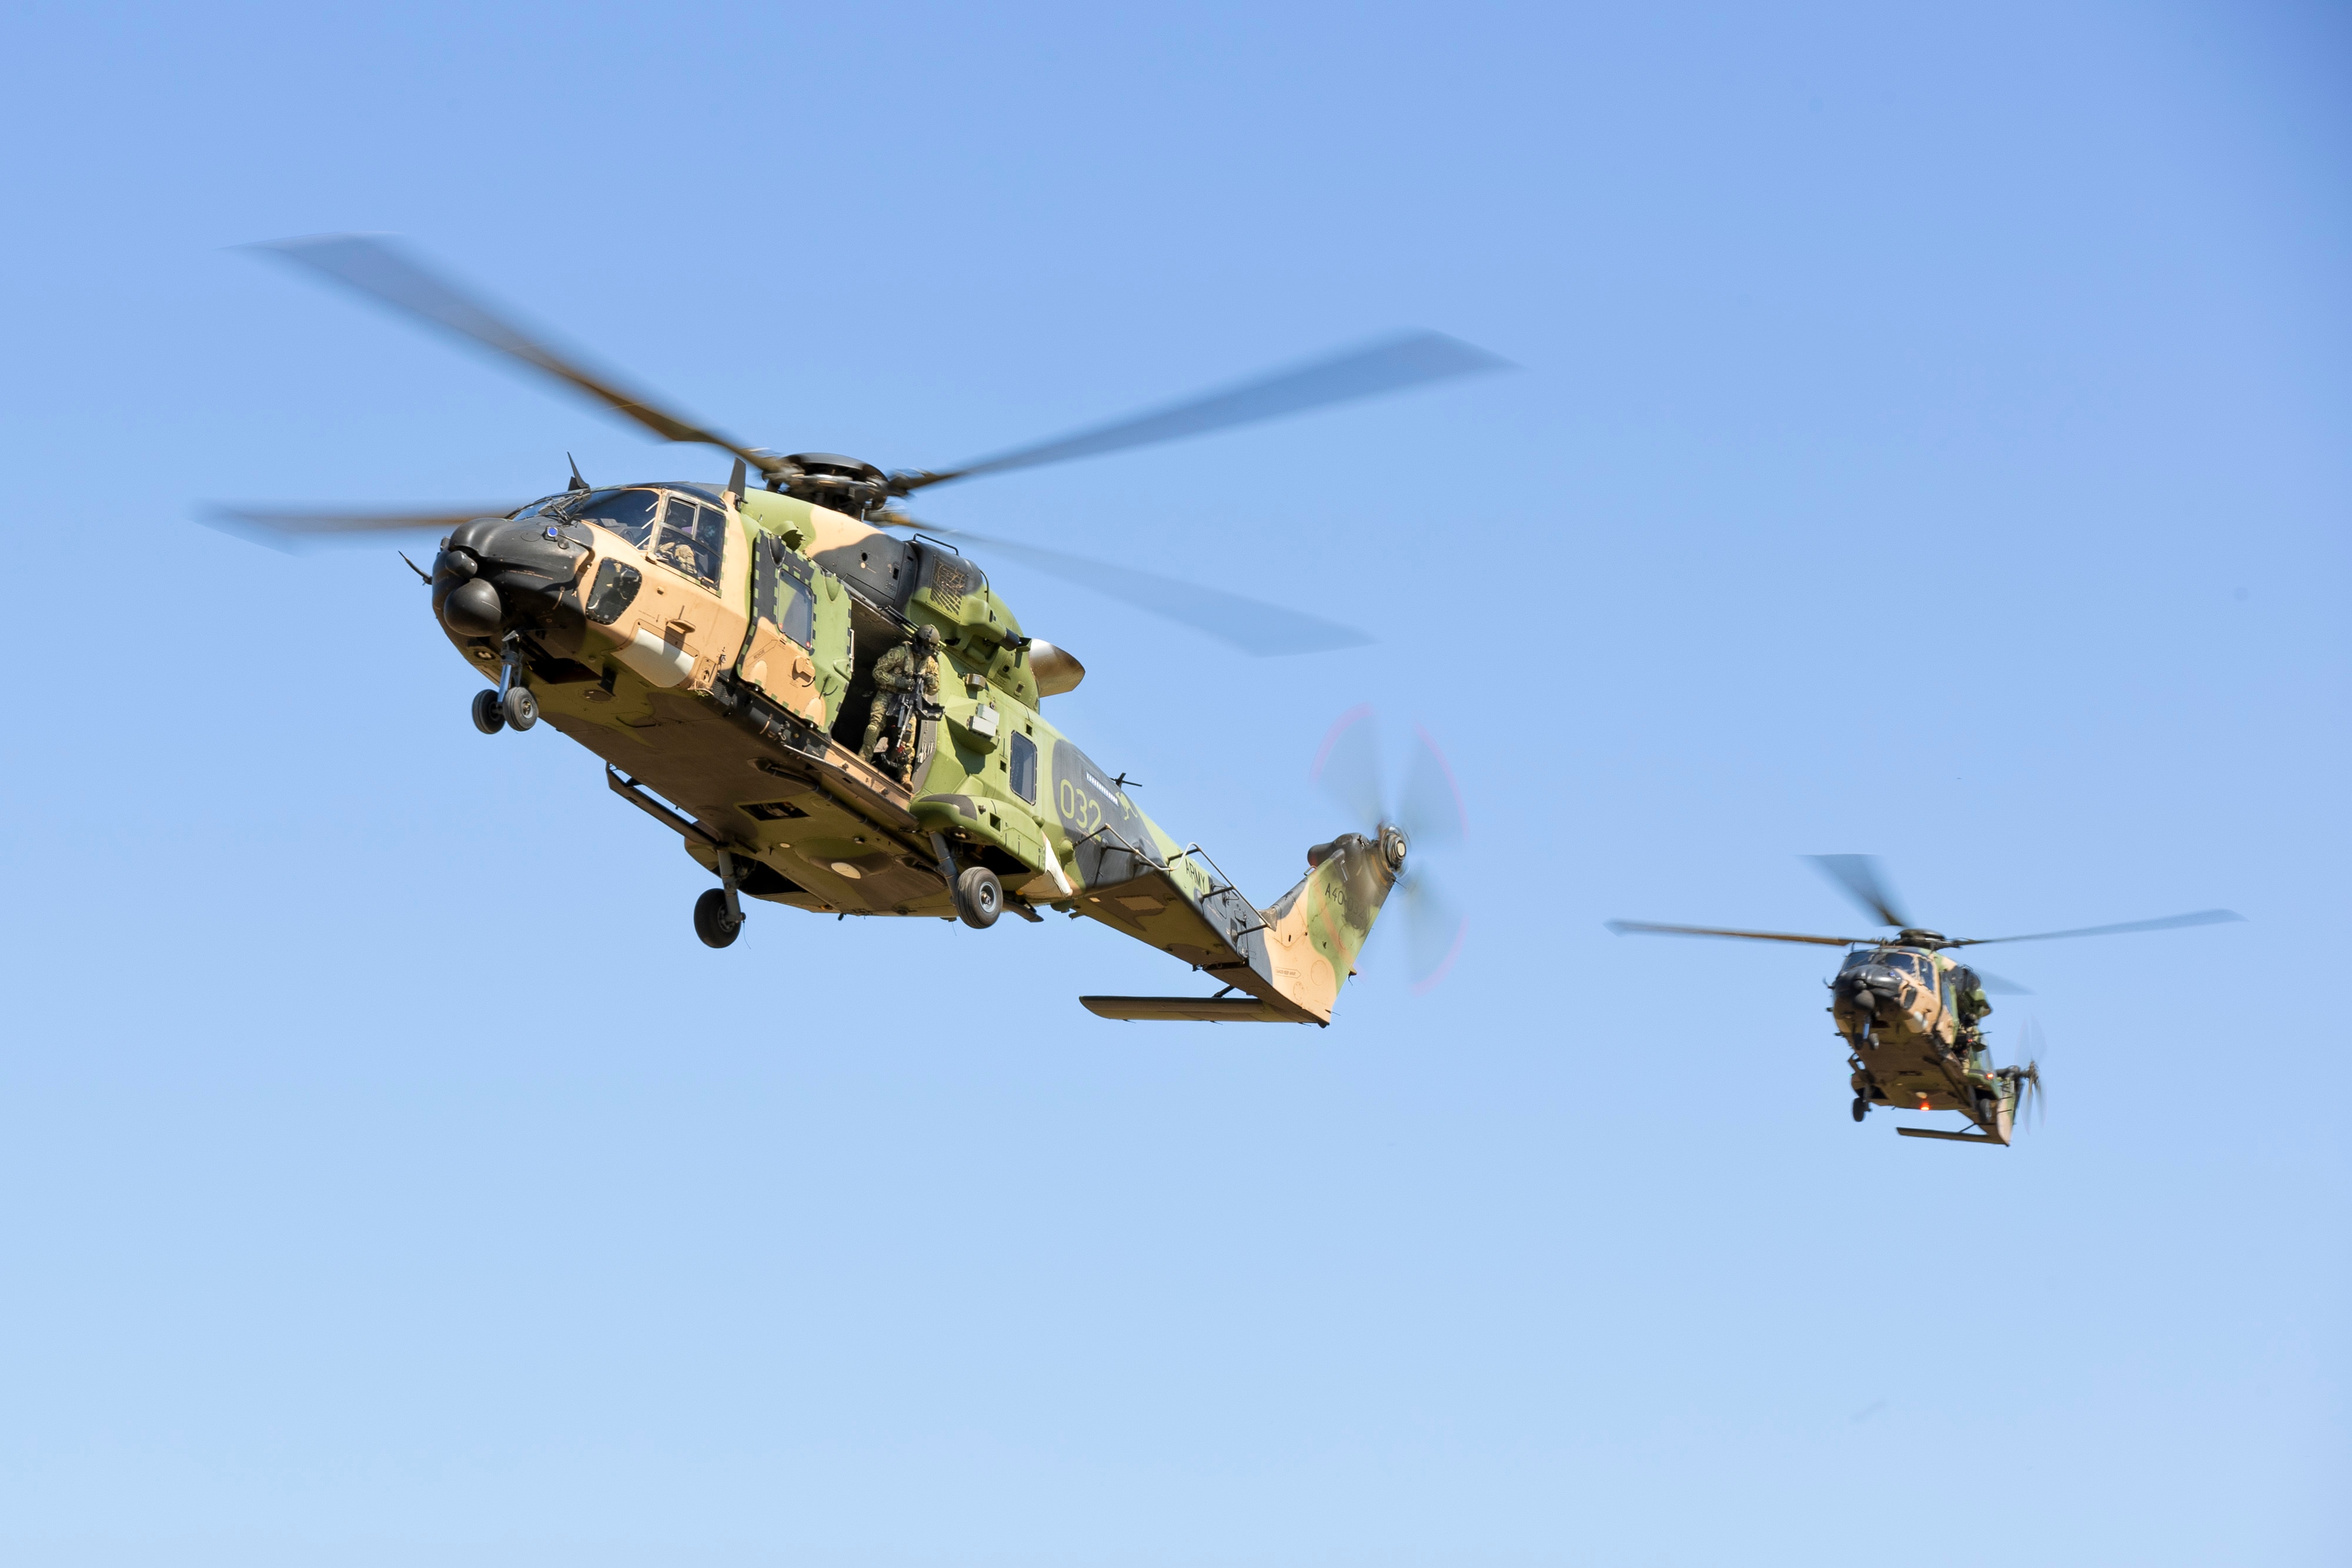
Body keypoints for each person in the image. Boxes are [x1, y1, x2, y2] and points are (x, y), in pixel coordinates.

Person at [862, 623, 943, 768]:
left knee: (907, 740)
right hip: (887, 695)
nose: (921, 652)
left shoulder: (931, 664)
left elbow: (933, 690)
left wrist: (932, 682)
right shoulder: (899, 653)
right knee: (874, 728)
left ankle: (905, 775)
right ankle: (863, 760)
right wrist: (899, 682)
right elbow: (878, 672)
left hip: (909, 702)